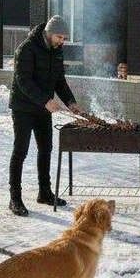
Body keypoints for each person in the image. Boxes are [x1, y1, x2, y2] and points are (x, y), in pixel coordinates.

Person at [8, 15, 83, 216]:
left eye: (64, 38)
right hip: (23, 108)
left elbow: (60, 81)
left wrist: (71, 102)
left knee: (46, 149)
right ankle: (15, 198)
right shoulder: (27, 48)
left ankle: (45, 192)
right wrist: (45, 101)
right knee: (20, 151)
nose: (62, 41)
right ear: (49, 33)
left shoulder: (57, 51)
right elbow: (23, 81)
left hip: (43, 109)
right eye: (59, 37)